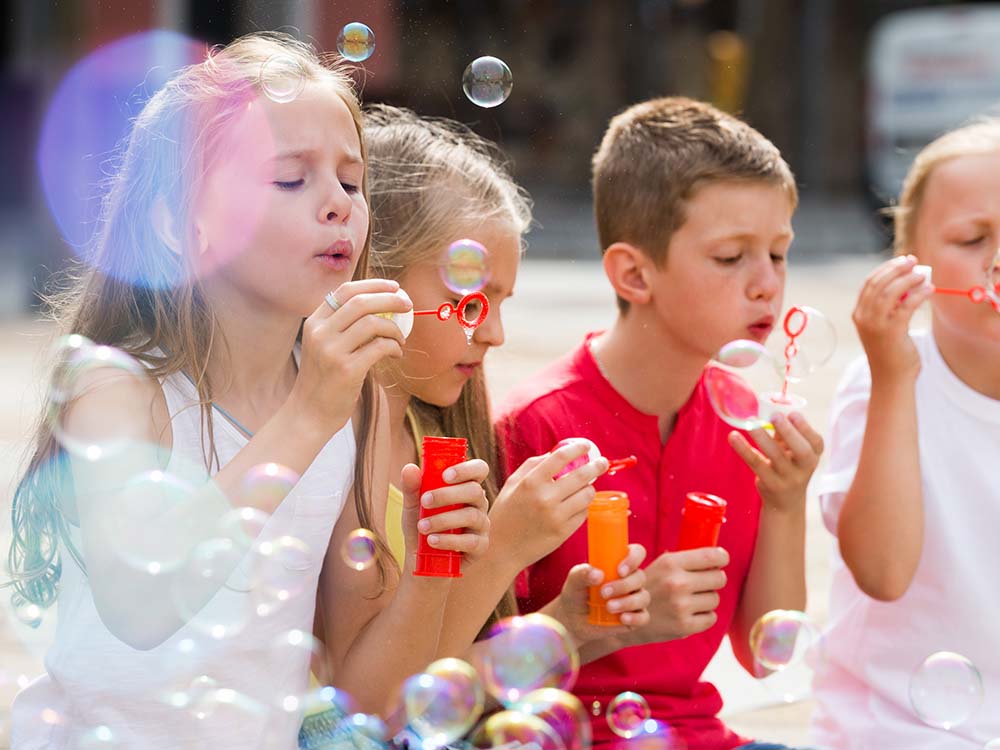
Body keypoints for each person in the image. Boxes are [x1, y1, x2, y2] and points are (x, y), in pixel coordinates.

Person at [5, 33, 489, 749]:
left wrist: (428, 568)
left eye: (352, 182)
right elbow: (141, 604)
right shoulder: (117, 391)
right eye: (291, 180)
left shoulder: (357, 403)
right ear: (181, 223)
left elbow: (362, 695)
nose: (338, 206)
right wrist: (309, 413)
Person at [496, 96, 824, 750]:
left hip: (699, 734)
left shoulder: (745, 428)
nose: (766, 284)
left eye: (779, 254)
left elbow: (767, 651)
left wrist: (786, 502)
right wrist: (609, 621)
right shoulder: (536, 428)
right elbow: (480, 665)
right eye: (732, 257)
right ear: (634, 273)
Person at [359, 104, 650, 652]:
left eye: (501, 303)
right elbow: (387, 701)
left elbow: (445, 682)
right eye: (469, 303)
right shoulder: (339, 458)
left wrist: (567, 623)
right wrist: (504, 550)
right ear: (373, 274)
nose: (494, 333)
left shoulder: (436, 445)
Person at [809, 120, 1000, 748]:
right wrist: (893, 374)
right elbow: (883, 572)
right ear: (910, 267)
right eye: (974, 238)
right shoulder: (888, 381)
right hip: (898, 727)